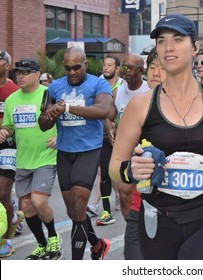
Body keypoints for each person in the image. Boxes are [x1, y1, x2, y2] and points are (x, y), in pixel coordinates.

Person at [109, 13, 203, 260]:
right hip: (158, 219)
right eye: (161, 41)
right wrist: (130, 170)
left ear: (195, 47)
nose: (168, 47)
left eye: (177, 39)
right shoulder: (140, 105)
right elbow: (115, 166)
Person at [38, 46, 112, 260]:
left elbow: (104, 110)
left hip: (88, 151)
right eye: (68, 68)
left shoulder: (98, 83)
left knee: (80, 206)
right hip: (65, 152)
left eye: (76, 68)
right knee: (74, 213)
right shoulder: (54, 87)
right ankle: (97, 245)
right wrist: (50, 114)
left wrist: (67, 107)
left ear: (85, 65)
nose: (72, 72)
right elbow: (42, 124)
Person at [0, 58, 62, 260]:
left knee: (38, 201)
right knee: (26, 207)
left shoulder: (48, 95)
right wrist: (4, 131)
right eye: (18, 72)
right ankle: (43, 245)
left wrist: (59, 137)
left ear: (37, 75)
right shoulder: (11, 100)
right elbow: (9, 126)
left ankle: (53, 238)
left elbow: (65, 120)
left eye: (26, 72)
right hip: (23, 160)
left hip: (45, 158)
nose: (21, 75)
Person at [112, 51, 154, 260]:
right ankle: (132, 229)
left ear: (141, 70)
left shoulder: (147, 90)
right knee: (124, 193)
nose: (127, 71)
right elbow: (111, 113)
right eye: (125, 67)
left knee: (141, 193)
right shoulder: (118, 90)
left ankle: (142, 232)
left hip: (144, 152)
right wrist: (111, 128)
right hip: (124, 151)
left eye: (132, 68)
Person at [92, 54, 124, 225]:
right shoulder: (98, 83)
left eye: (110, 65)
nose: (106, 68)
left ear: (117, 68)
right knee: (104, 172)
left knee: (121, 173)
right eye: (105, 65)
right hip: (103, 135)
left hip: (122, 134)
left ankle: (123, 197)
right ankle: (106, 210)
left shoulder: (123, 85)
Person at [0, 50, 24, 258]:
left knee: (3, 193)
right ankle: (14, 216)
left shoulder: (15, 92)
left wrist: (6, 130)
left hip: (9, 146)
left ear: (7, 66)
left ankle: (5, 239)